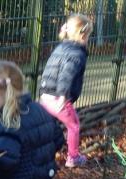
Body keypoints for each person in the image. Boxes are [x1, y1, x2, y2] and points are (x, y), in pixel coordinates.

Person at [39, 13, 93, 168]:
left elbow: (50, 69)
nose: (88, 39)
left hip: (45, 95)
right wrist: (63, 95)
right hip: (59, 98)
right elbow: (66, 75)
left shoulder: (62, 47)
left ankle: (42, 155)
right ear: (83, 35)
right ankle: (73, 157)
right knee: (73, 125)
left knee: (47, 127)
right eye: (88, 36)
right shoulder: (76, 54)